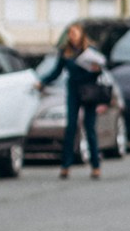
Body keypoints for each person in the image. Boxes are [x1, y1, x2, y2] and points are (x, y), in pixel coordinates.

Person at [42, 24, 108, 179]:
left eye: (75, 33)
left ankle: (95, 165)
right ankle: (66, 165)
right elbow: (56, 72)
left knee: (90, 128)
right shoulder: (65, 52)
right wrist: (42, 82)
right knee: (71, 127)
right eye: (70, 33)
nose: (72, 36)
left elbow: (101, 71)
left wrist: (97, 70)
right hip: (73, 91)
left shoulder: (90, 51)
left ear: (81, 34)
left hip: (89, 90)